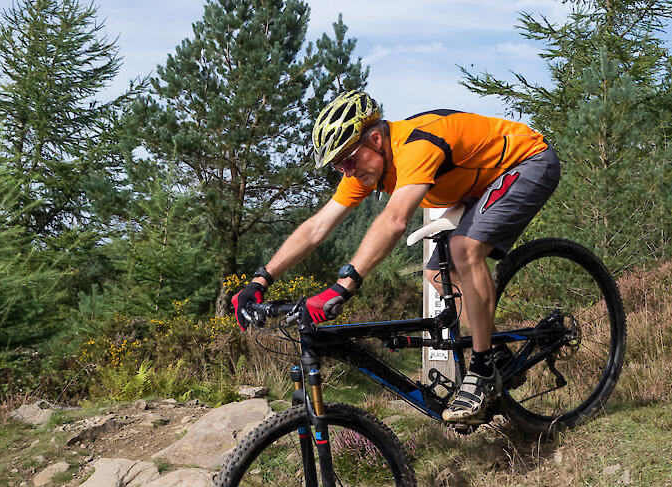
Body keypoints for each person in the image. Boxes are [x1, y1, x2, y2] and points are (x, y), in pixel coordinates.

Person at [232, 90, 560, 424]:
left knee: (463, 250)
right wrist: (261, 279)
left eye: (347, 160)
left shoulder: (416, 145)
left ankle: (483, 370)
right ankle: (494, 350)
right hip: (479, 186)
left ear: (375, 138)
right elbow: (318, 226)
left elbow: (394, 220)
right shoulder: (366, 166)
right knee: (435, 275)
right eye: (337, 166)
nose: (346, 172)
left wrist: (343, 286)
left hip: (528, 162)